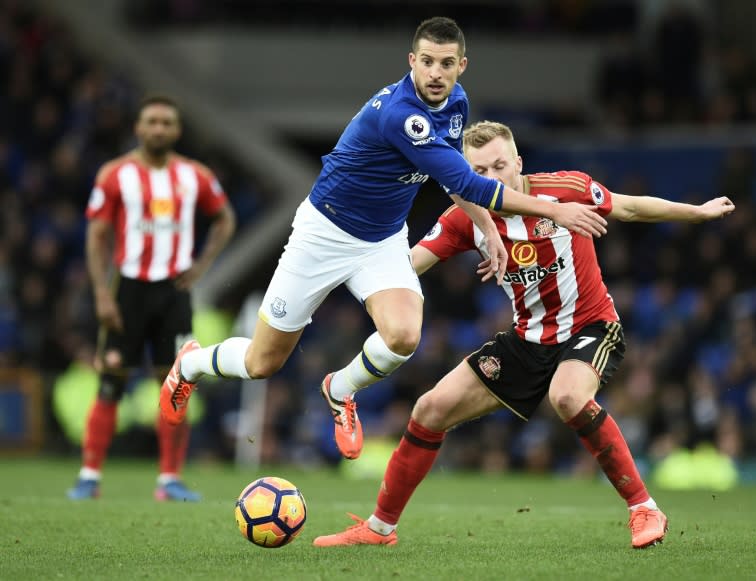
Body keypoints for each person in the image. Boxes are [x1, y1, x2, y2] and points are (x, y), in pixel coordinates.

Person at [158, 17, 608, 461]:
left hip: (383, 239)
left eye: (446, 63)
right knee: (262, 363)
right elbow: (469, 183)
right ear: (412, 61)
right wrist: (554, 208)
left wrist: (487, 226)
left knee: (404, 334)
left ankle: (340, 389)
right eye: (427, 62)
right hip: (323, 234)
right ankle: (191, 364)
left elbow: (452, 175)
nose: (436, 73)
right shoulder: (399, 114)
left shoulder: (456, 104)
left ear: (461, 66)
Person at [312, 120, 736, 549]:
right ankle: (379, 529)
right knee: (429, 409)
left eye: (499, 166)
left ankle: (643, 508)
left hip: (590, 327)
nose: (491, 179)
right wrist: (346, 272)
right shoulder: (465, 218)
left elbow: (628, 207)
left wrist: (696, 212)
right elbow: (408, 266)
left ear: (518, 163)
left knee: (568, 396)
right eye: (478, 172)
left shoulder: (565, 189)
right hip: (526, 340)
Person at [67, 95, 236, 501]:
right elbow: (96, 236)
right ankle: (89, 476)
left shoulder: (195, 176)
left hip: (173, 294)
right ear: (138, 128)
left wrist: (201, 265)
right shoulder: (115, 174)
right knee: (110, 382)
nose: (159, 128)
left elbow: (225, 218)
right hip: (127, 290)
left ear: (177, 130)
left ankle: (169, 480)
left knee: (175, 385)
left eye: (166, 122)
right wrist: (100, 295)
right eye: (152, 121)